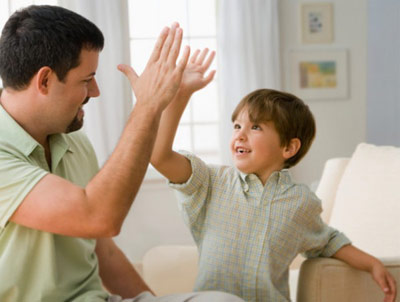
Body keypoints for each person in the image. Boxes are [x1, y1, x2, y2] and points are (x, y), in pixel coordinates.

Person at [0, 5, 245, 302]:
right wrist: (147, 106)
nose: (95, 91)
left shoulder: (74, 143)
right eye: (86, 79)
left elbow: (104, 250)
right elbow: (99, 217)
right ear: (45, 80)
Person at [150, 54, 397, 301]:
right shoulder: (212, 181)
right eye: (237, 126)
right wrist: (180, 95)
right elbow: (159, 157)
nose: (240, 135)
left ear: (289, 148)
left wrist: (371, 264)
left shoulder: (300, 202)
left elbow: (328, 241)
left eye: (255, 127)